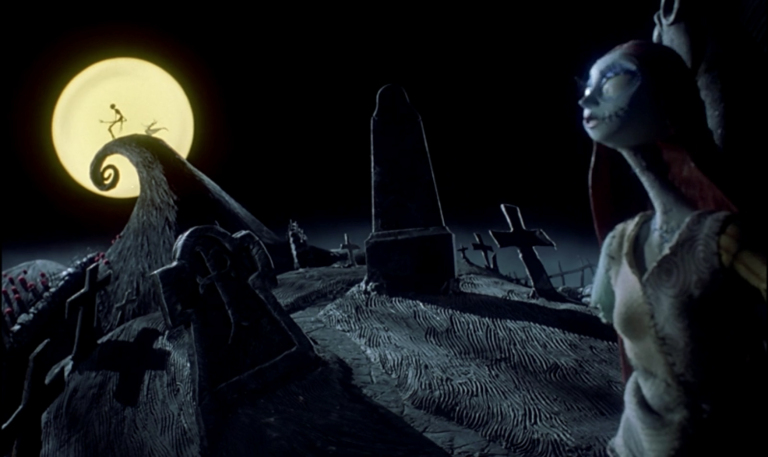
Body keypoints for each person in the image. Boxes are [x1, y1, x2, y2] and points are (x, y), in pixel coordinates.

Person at [579, 40, 767, 456]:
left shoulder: (722, 241)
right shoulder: (620, 244)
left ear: (667, 99)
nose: (587, 99)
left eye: (613, 81)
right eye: (589, 85)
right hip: (634, 441)